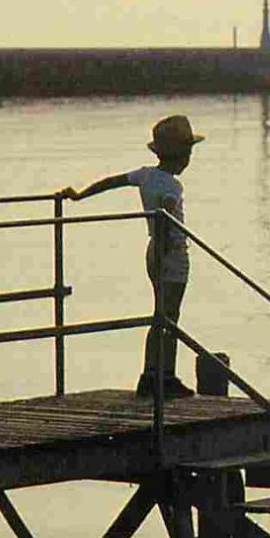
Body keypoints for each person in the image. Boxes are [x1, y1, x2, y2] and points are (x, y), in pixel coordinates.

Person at [60, 114, 205, 398]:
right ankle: (167, 377)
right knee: (170, 318)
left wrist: (79, 195)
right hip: (171, 254)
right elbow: (165, 217)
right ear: (183, 156)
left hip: (152, 251)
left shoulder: (145, 175)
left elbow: (111, 181)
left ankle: (150, 375)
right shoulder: (173, 187)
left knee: (158, 316)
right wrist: (165, 257)